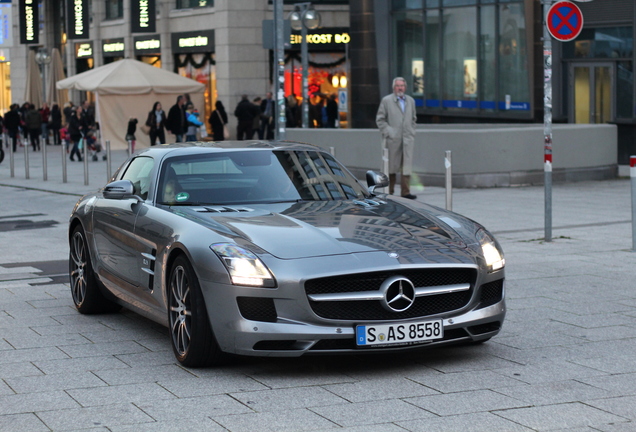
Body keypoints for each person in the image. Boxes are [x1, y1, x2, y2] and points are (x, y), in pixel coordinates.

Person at [375, 76, 417, 200]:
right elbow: (380, 119)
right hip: (393, 139)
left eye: (402, 86)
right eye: (398, 86)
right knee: (391, 167)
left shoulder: (410, 101)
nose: (400, 88)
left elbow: (414, 119)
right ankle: (389, 191)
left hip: (407, 139)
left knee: (406, 167)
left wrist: (411, 131)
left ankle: (406, 192)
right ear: (394, 88)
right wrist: (389, 132)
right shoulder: (387, 101)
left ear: (405, 87)